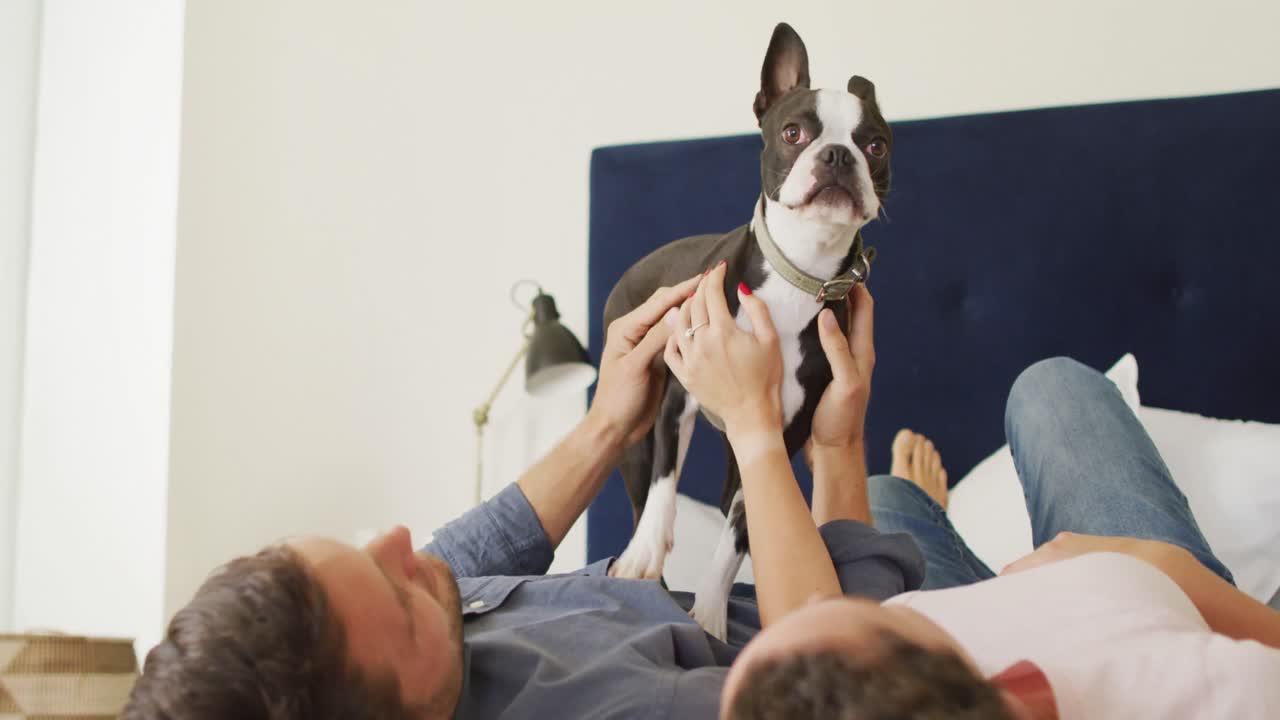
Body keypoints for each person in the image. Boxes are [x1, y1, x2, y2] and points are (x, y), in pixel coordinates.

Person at [123, 263, 923, 719]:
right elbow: (846, 671)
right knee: (1043, 399)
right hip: (872, 607)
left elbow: (467, 551)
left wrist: (610, 422)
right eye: (395, 593)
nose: (403, 541)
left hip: (803, 576)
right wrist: (814, 441)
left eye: (363, 552)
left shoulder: (407, 636)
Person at [720, 356, 1280, 719]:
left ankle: (922, 508)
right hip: (1136, 594)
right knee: (1051, 389)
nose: (818, 595)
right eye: (886, 616)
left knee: (891, 501)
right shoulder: (1220, 688)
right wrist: (1140, 562)